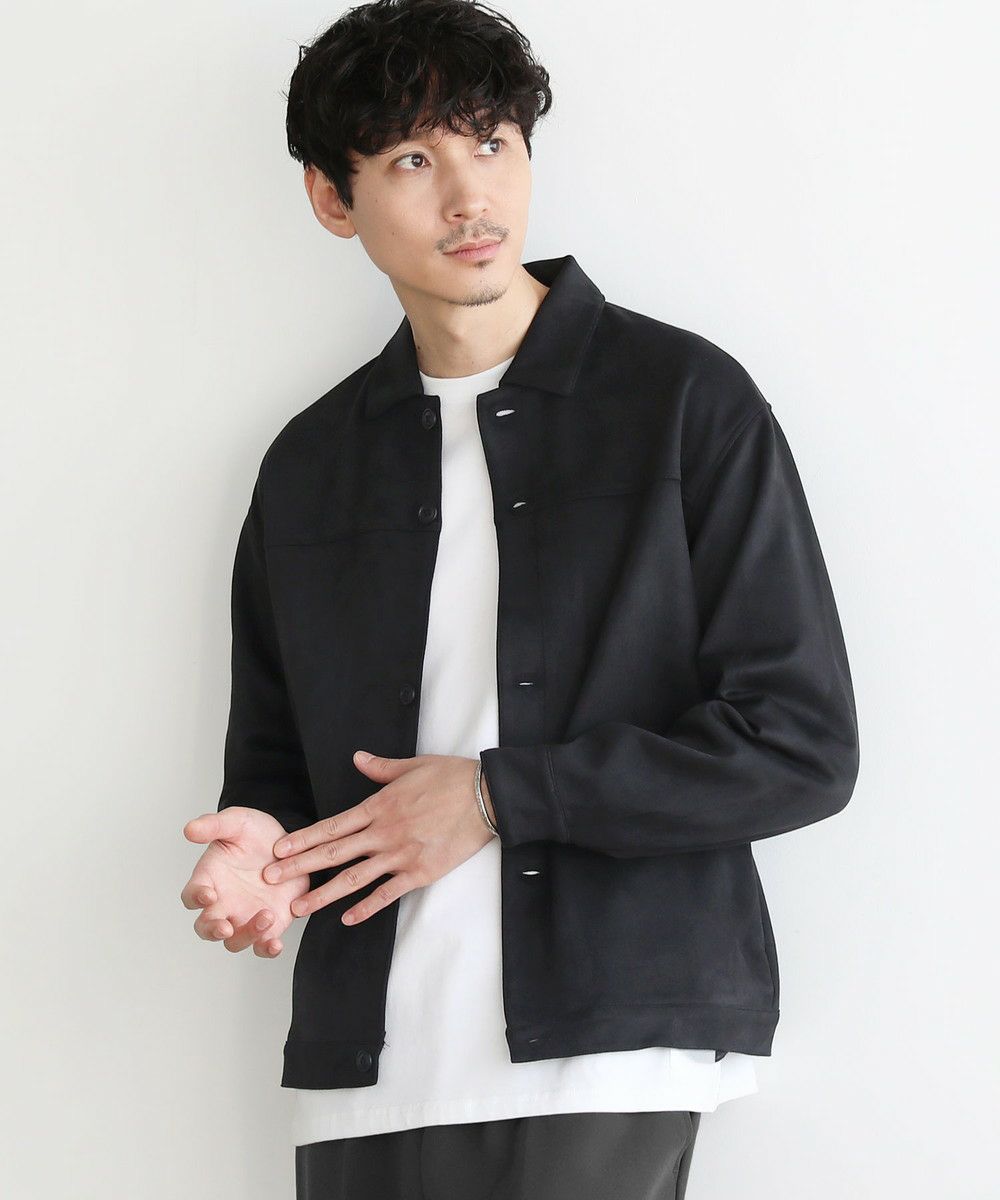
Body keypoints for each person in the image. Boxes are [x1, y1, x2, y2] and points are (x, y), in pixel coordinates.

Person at [180, 2, 860, 1196]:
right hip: (364, 1065)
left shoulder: (684, 403)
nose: (469, 198)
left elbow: (798, 745)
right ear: (332, 198)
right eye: (412, 160)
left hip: (602, 1049)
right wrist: (257, 848)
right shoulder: (309, 465)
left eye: (491, 144)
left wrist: (498, 796)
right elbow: (279, 759)